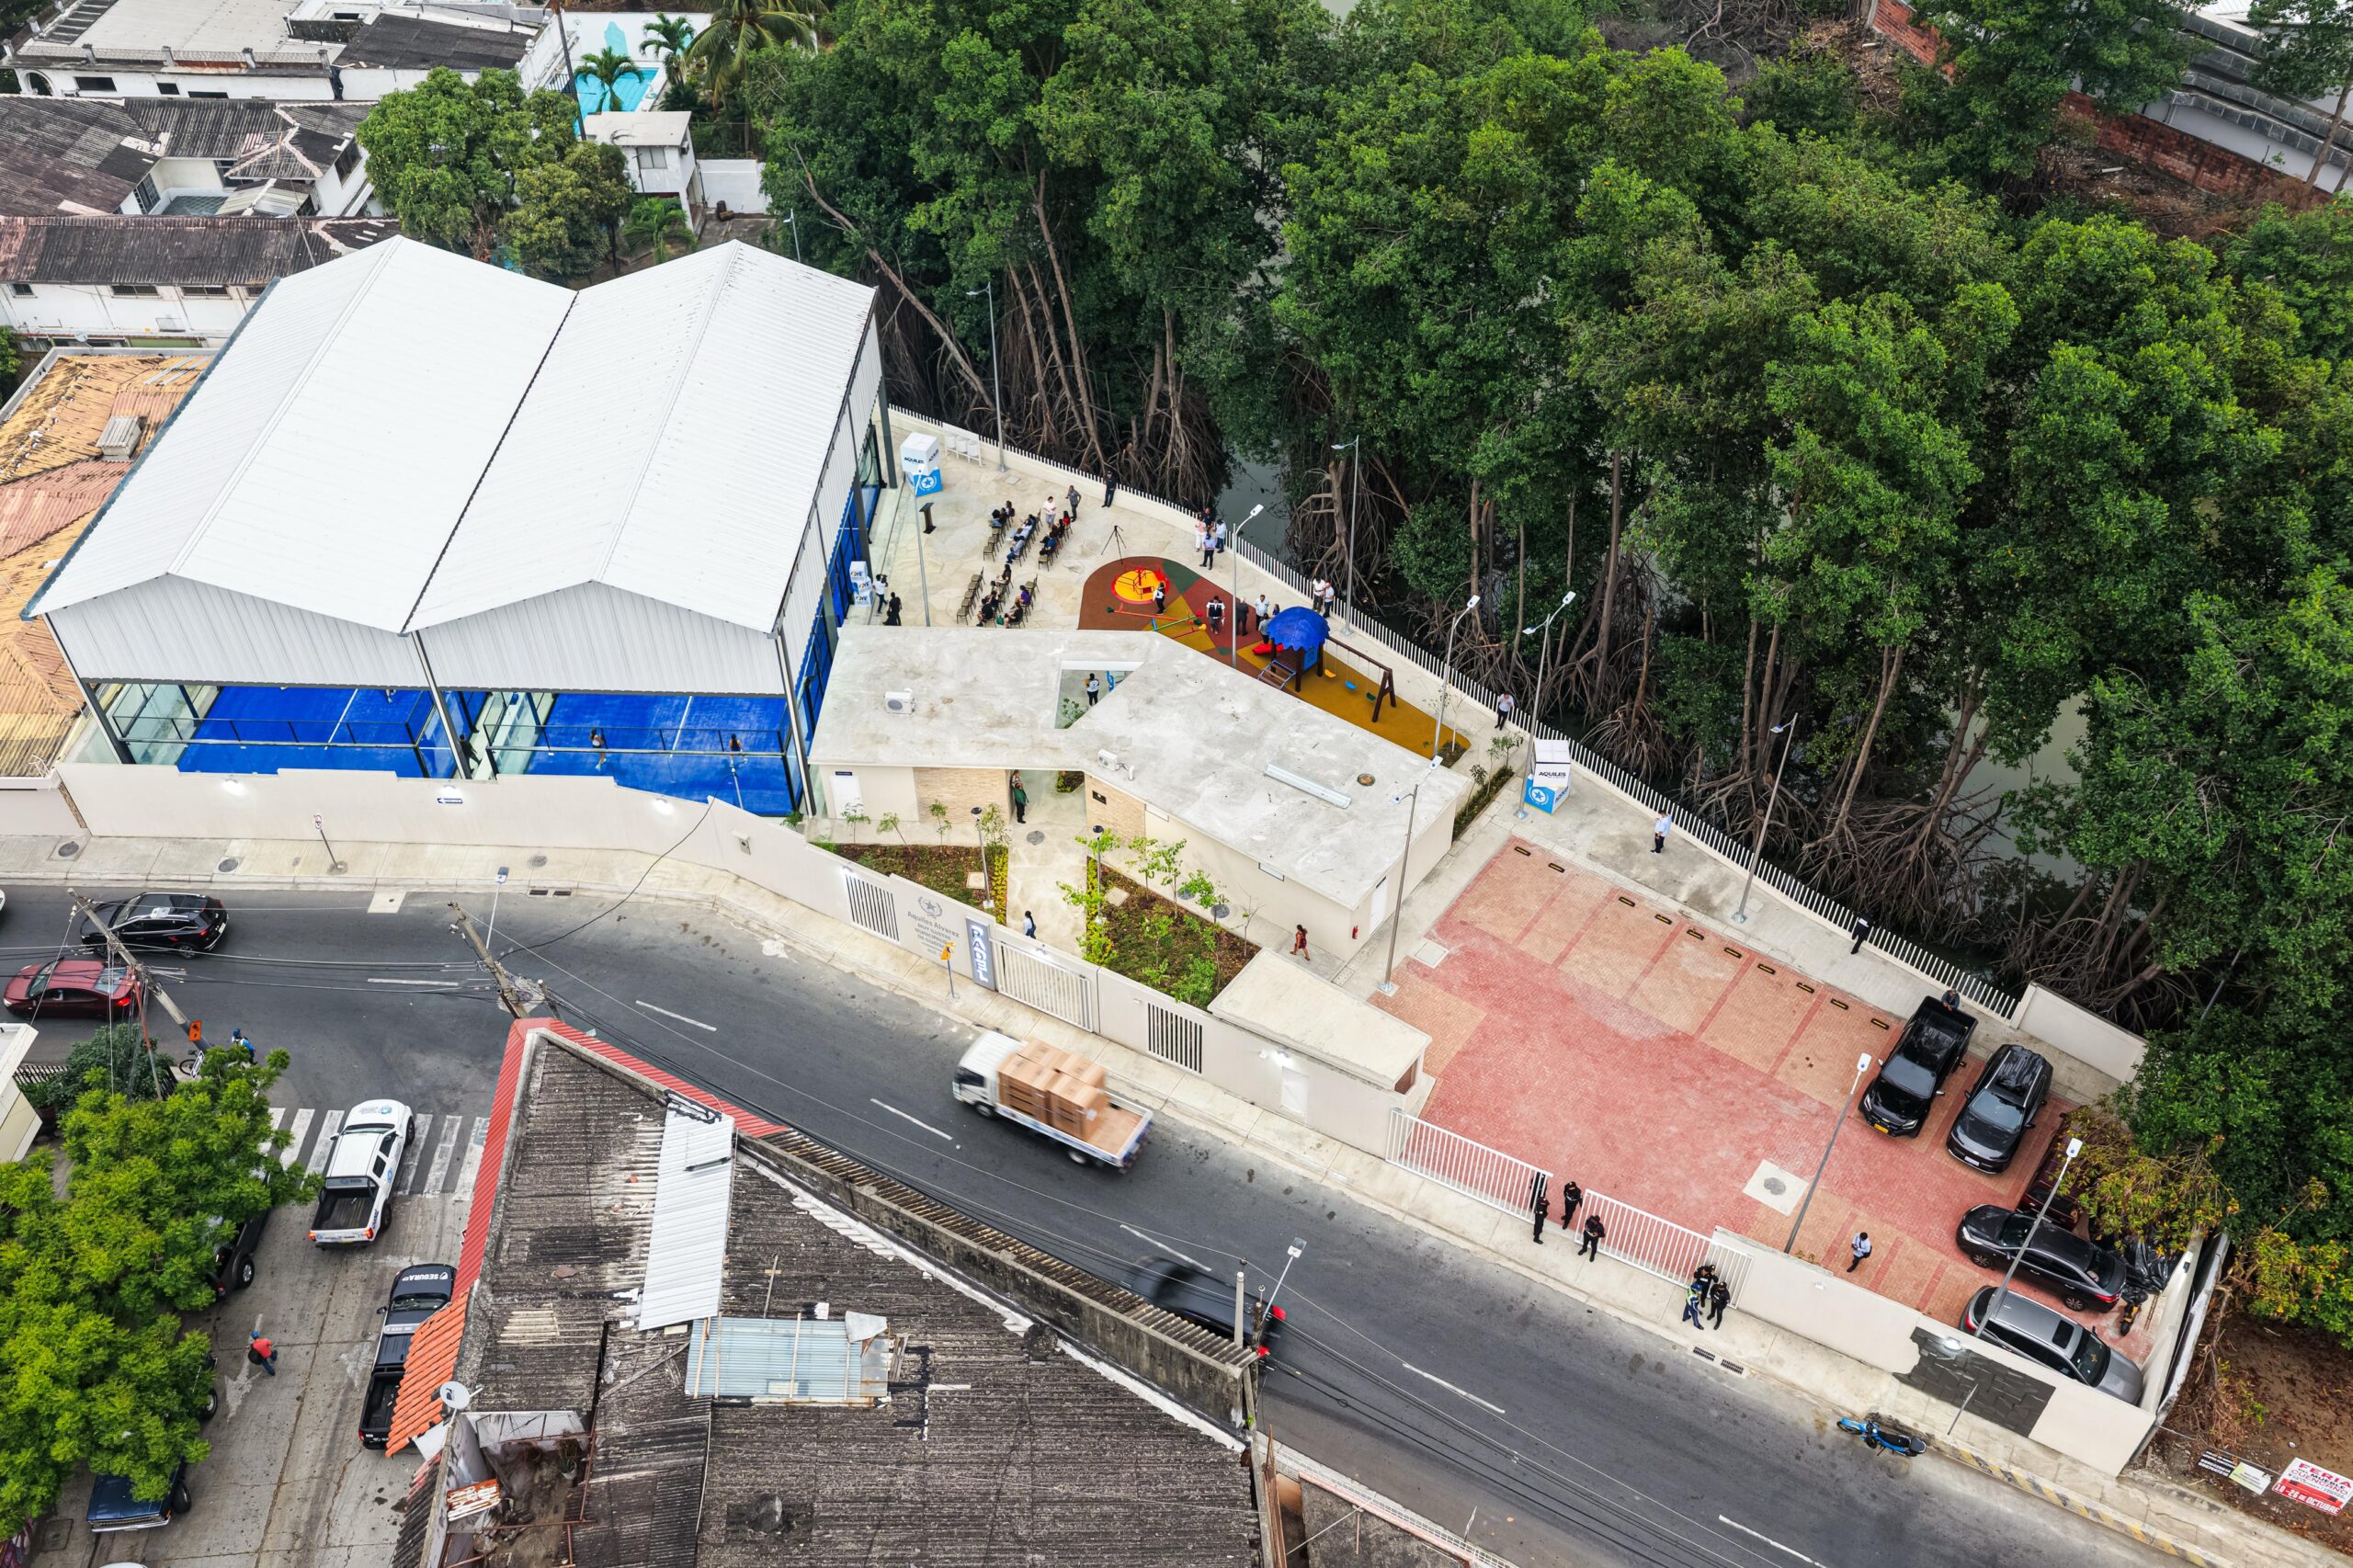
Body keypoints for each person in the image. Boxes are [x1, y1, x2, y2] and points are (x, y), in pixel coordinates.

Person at [1530, 1173, 1550, 1244]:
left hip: (1540, 1215)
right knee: (1539, 1225)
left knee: (1538, 1225)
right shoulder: (1539, 1207)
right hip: (1539, 1216)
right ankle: (1536, 1238)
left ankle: (1536, 1232)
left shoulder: (1540, 1201)